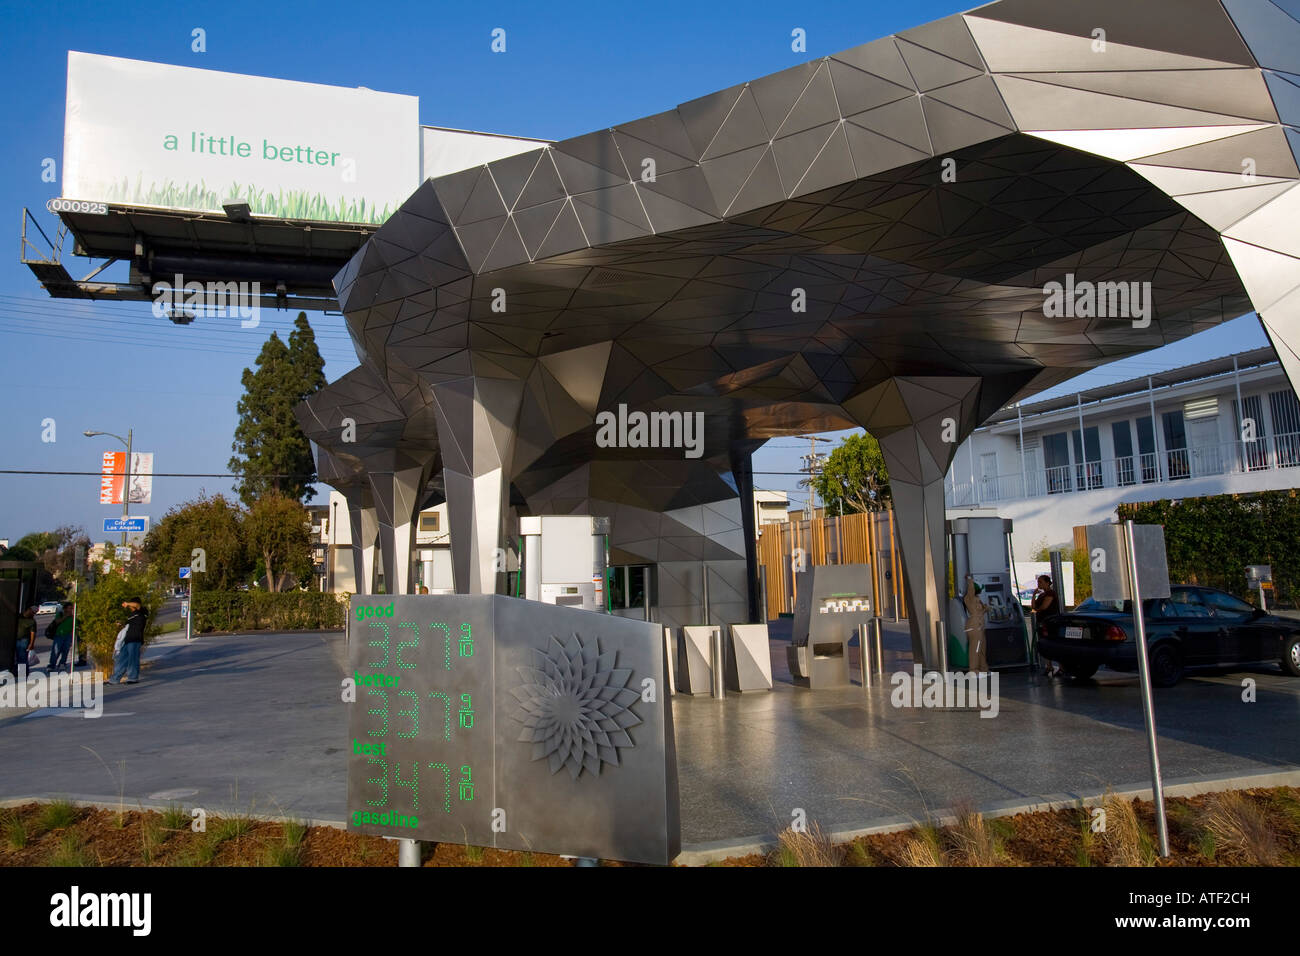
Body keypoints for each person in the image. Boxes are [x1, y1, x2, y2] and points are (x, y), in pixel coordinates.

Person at [110, 597, 148, 685]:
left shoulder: (142, 611)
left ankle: (132, 678)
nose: (130, 606)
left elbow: (137, 605)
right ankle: (115, 679)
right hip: (127, 640)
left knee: (132, 659)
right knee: (121, 659)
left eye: (131, 604)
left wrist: (127, 603)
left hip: (135, 639)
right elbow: (129, 626)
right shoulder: (132, 615)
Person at [1032, 575, 1062, 677]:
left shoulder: (1050, 593)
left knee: (1054, 644)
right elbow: (1033, 607)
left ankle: (1062, 667)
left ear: (1047, 582)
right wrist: (1033, 595)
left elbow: (1044, 607)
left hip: (1051, 623)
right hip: (1042, 623)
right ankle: (1048, 666)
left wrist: (1037, 609)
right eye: (1038, 582)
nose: (1038, 584)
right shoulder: (1041, 595)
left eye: (1040, 582)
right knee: (1044, 644)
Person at [963, 574, 988, 672]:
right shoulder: (969, 598)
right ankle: (973, 670)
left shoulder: (977, 599)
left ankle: (983, 669)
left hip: (980, 627)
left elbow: (981, 611)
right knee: (975, 649)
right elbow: (971, 589)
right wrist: (970, 580)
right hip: (974, 627)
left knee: (982, 649)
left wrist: (985, 609)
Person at [47, 602, 75, 672]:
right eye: (69, 608)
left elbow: (75, 625)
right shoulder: (60, 614)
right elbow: (56, 621)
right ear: (65, 608)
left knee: (65, 650)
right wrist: (65, 616)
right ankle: (52, 665)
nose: (71, 609)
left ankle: (62, 663)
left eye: (72, 608)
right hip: (59, 635)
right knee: (56, 650)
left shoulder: (73, 616)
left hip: (68, 635)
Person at [14, 606, 38, 674]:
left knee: (22, 657)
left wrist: (31, 644)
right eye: (33, 612)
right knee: (18, 657)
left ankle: (23, 672)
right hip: (16, 639)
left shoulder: (32, 621)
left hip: (24, 640)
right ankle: (17, 671)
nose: (33, 614)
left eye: (34, 613)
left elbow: (33, 633)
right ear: (29, 610)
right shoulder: (19, 616)